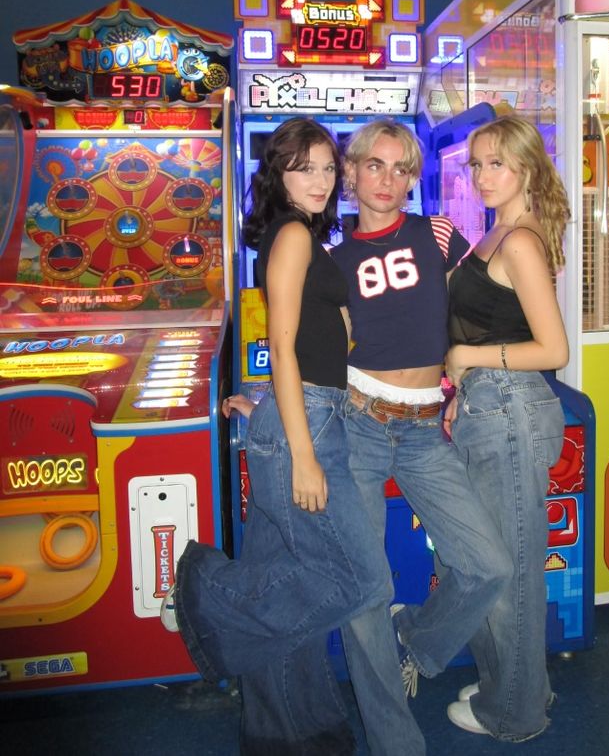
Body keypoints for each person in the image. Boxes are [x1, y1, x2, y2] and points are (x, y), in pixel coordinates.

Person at [160, 117, 394, 755]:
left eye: (326, 168)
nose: (319, 181)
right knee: (362, 580)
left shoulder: (304, 237)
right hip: (306, 426)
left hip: (297, 412)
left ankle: (286, 733)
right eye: (304, 168)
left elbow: (301, 349)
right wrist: (303, 454)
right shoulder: (292, 234)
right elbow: (284, 348)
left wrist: (268, 405)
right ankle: (213, 592)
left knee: (286, 573)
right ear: (279, 174)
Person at [330, 119, 506, 756]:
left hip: (427, 428)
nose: (388, 180)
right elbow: (320, 350)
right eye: (374, 166)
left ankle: (419, 641)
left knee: (489, 565)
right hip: (359, 425)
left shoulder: (436, 234)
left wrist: (471, 376)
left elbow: (481, 309)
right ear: (350, 174)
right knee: (365, 590)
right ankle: (395, 744)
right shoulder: (333, 260)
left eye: (402, 169)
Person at [440, 114, 570, 741]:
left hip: (512, 412)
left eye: (497, 163)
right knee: (491, 566)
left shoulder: (519, 241)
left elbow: (553, 349)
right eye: (478, 163)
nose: (484, 175)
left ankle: (513, 714)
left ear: (526, 168)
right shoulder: (497, 232)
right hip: (489, 408)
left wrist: (467, 360)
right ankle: (516, 688)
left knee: (509, 577)